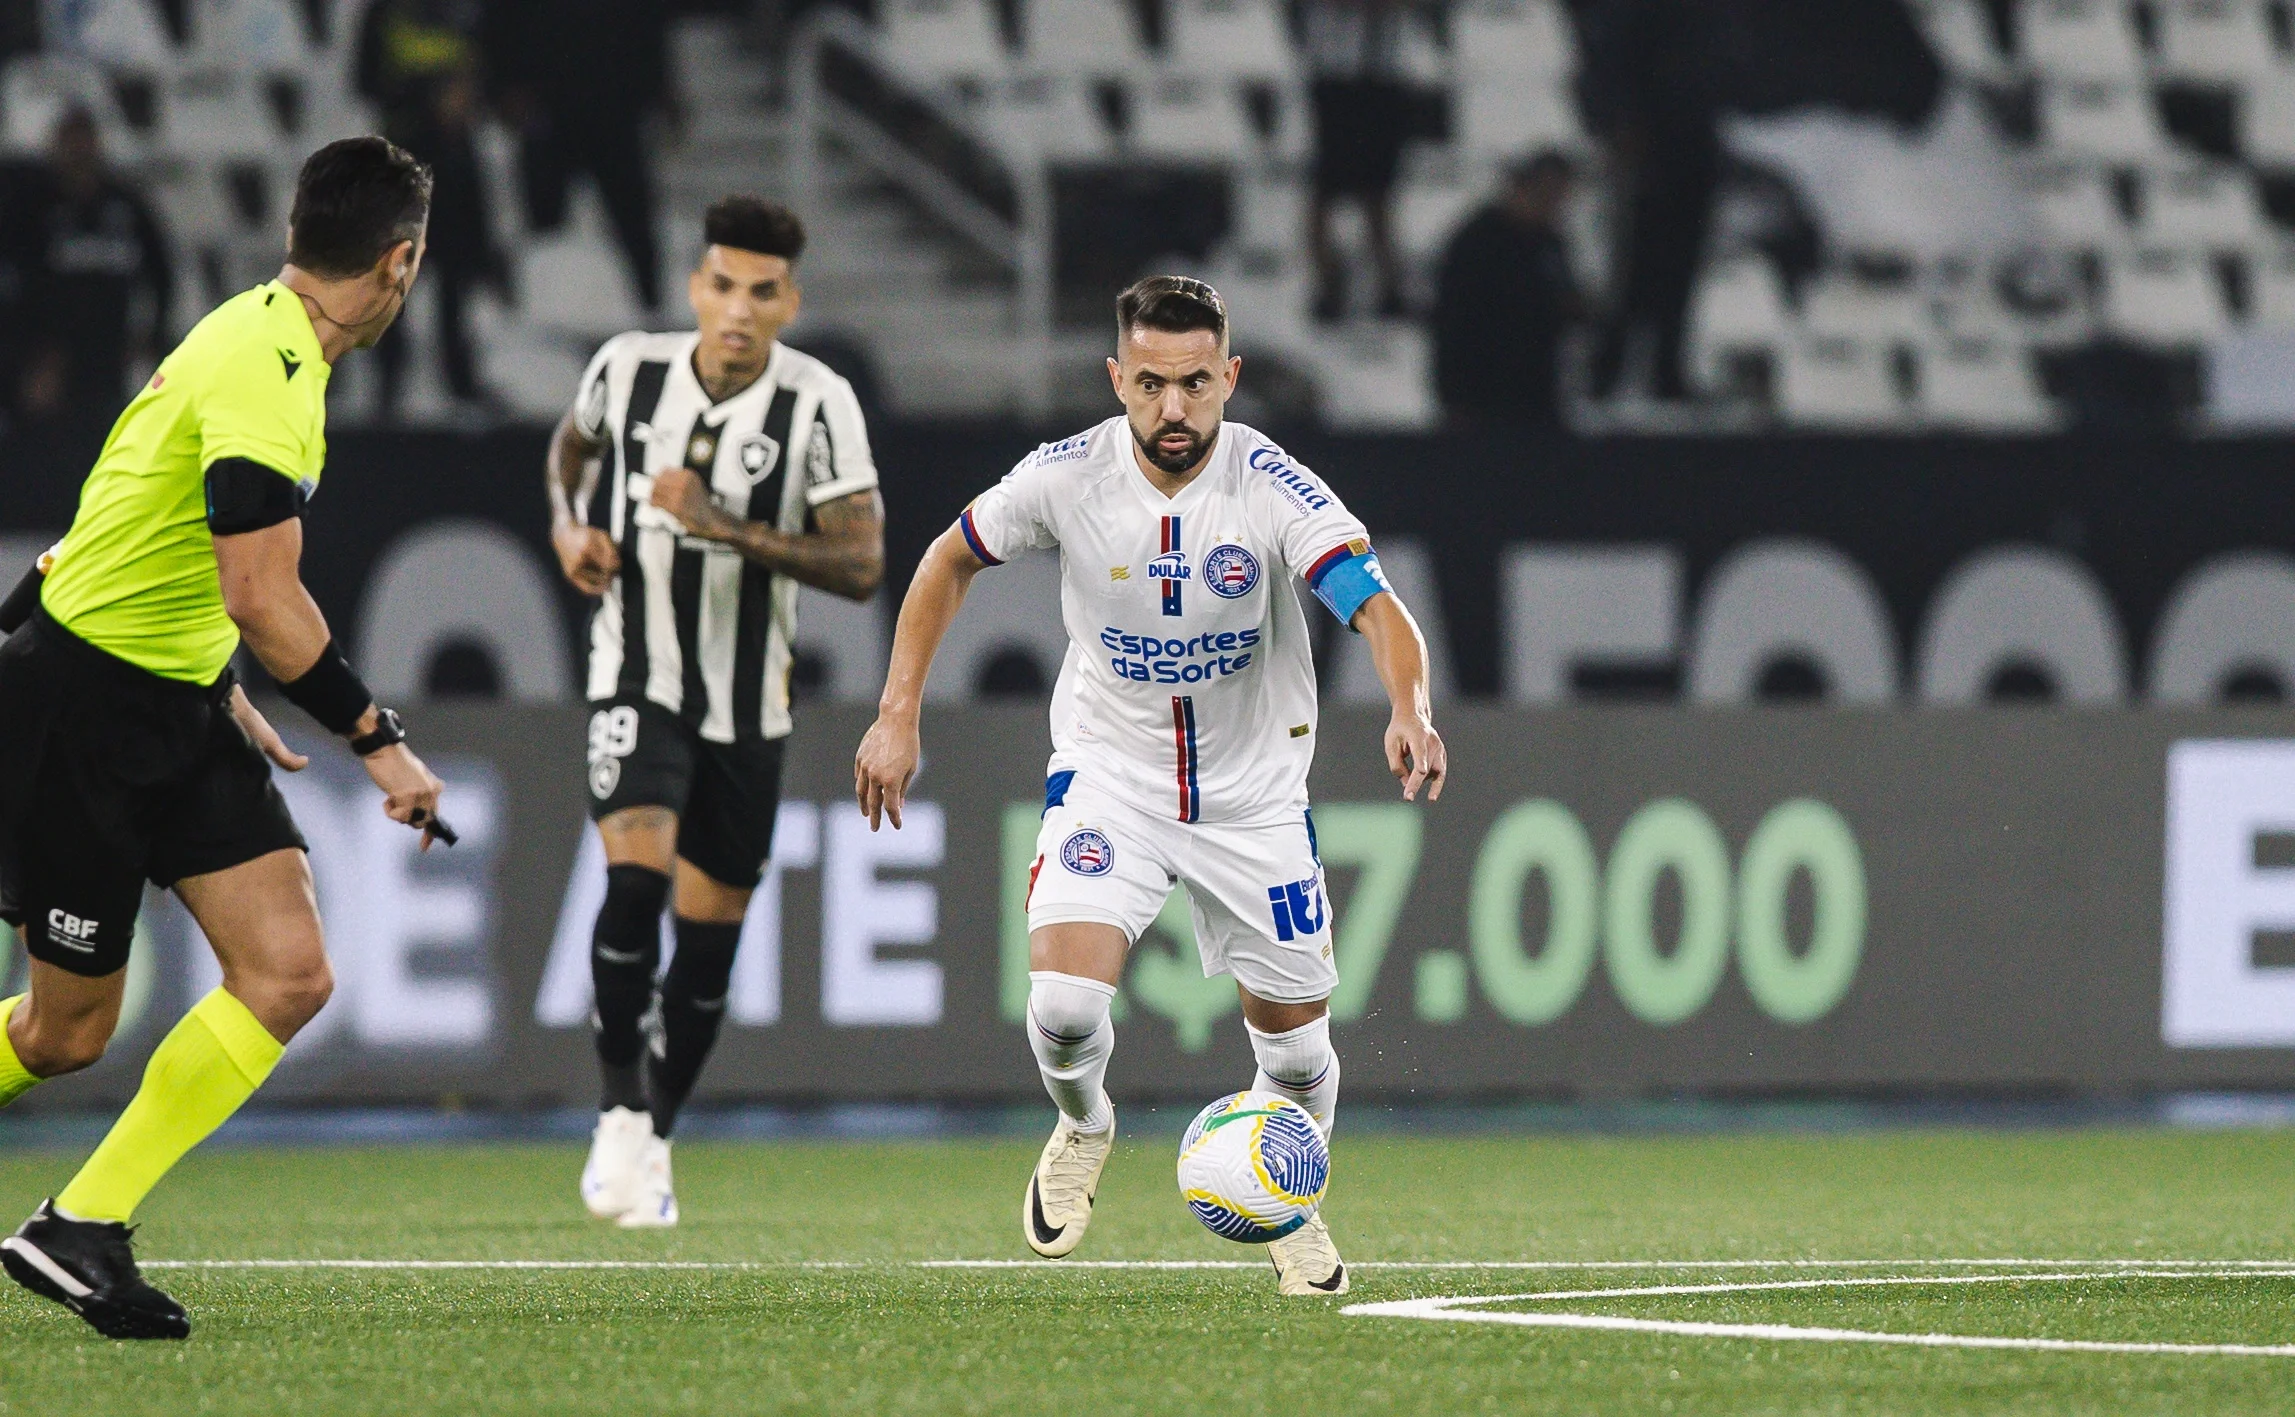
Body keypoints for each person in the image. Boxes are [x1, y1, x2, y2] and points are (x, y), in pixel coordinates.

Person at [854, 276, 1448, 1295]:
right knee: (1065, 1004)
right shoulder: (1065, 476)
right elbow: (947, 560)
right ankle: (1085, 1124)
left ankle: (1286, 1195)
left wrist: (1410, 705)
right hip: (1111, 776)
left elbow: (1374, 604)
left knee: (1300, 1056)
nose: (1174, 411)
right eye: (1151, 385)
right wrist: (898, 711)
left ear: (1231, 377)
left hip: (1253, 797)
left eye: (1197, 384)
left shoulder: (1271, 484)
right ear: (1117, 378)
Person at [0, 137, 450, 1339]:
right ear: (401, 262)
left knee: (290, 971)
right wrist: (378, 738)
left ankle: (79, 1227)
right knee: (61, 1034)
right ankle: (73, 1225)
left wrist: (216, 678)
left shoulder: (264, 337)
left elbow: (149, 524)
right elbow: (263, 592)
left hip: (174, 695)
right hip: (84, 706)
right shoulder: (265, 365)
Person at [549, 196, 884, 1227]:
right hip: (634, 673)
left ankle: (653, 1134)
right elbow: (572, 448)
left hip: (750, 708)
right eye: (724, 285)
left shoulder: (817, 402)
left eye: (763, 291)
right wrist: (569, 528)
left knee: (704, 952)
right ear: (697, 286)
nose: (739, 309)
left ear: (790, 301)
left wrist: (723, 526)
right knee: (634, 879)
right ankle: (614, 1108)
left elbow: (863, 562)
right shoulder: (625, 367)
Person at [355, 0, 506, 418]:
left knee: (456, 279)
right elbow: (366, 81)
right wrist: (428, 97)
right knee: (394, 277)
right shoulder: (385, 13)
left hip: (457, 163)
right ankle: (388, 385)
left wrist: (468, 99)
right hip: (404, 160)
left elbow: (495, 70)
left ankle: (460, 381)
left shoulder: (469, 11)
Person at [487, 0, 675, 313]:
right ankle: (540, 309)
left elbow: (647, 24)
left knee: (634, 218)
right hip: (547, 109)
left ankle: (652, 306)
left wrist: (661, 90)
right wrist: (504, 88)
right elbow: (502, 23)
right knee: (544, 223)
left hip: (614, 109)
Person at [6, 106, 173, 427]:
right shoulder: (33, 207)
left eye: (85, 141)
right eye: (71, 142)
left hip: (110, 352)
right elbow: (18, 281)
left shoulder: (126, 206)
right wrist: (29, 353)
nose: (79, 151)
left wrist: (154, 334)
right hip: (51, 356)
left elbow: (161, 271)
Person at [1431, 150, 1584, 429]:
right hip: (1480, 395)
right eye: (1544, 194)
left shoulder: (1549, 242)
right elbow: (1452, 321)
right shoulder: (1476, 242)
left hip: (1535, 393)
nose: (1551, 206)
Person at [1302, 0, 1417, 322]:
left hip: (1384, 83)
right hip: (1335, 80)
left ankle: (1388, 287)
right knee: (1325, 193)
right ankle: (1328, 282)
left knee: (1378, 194)